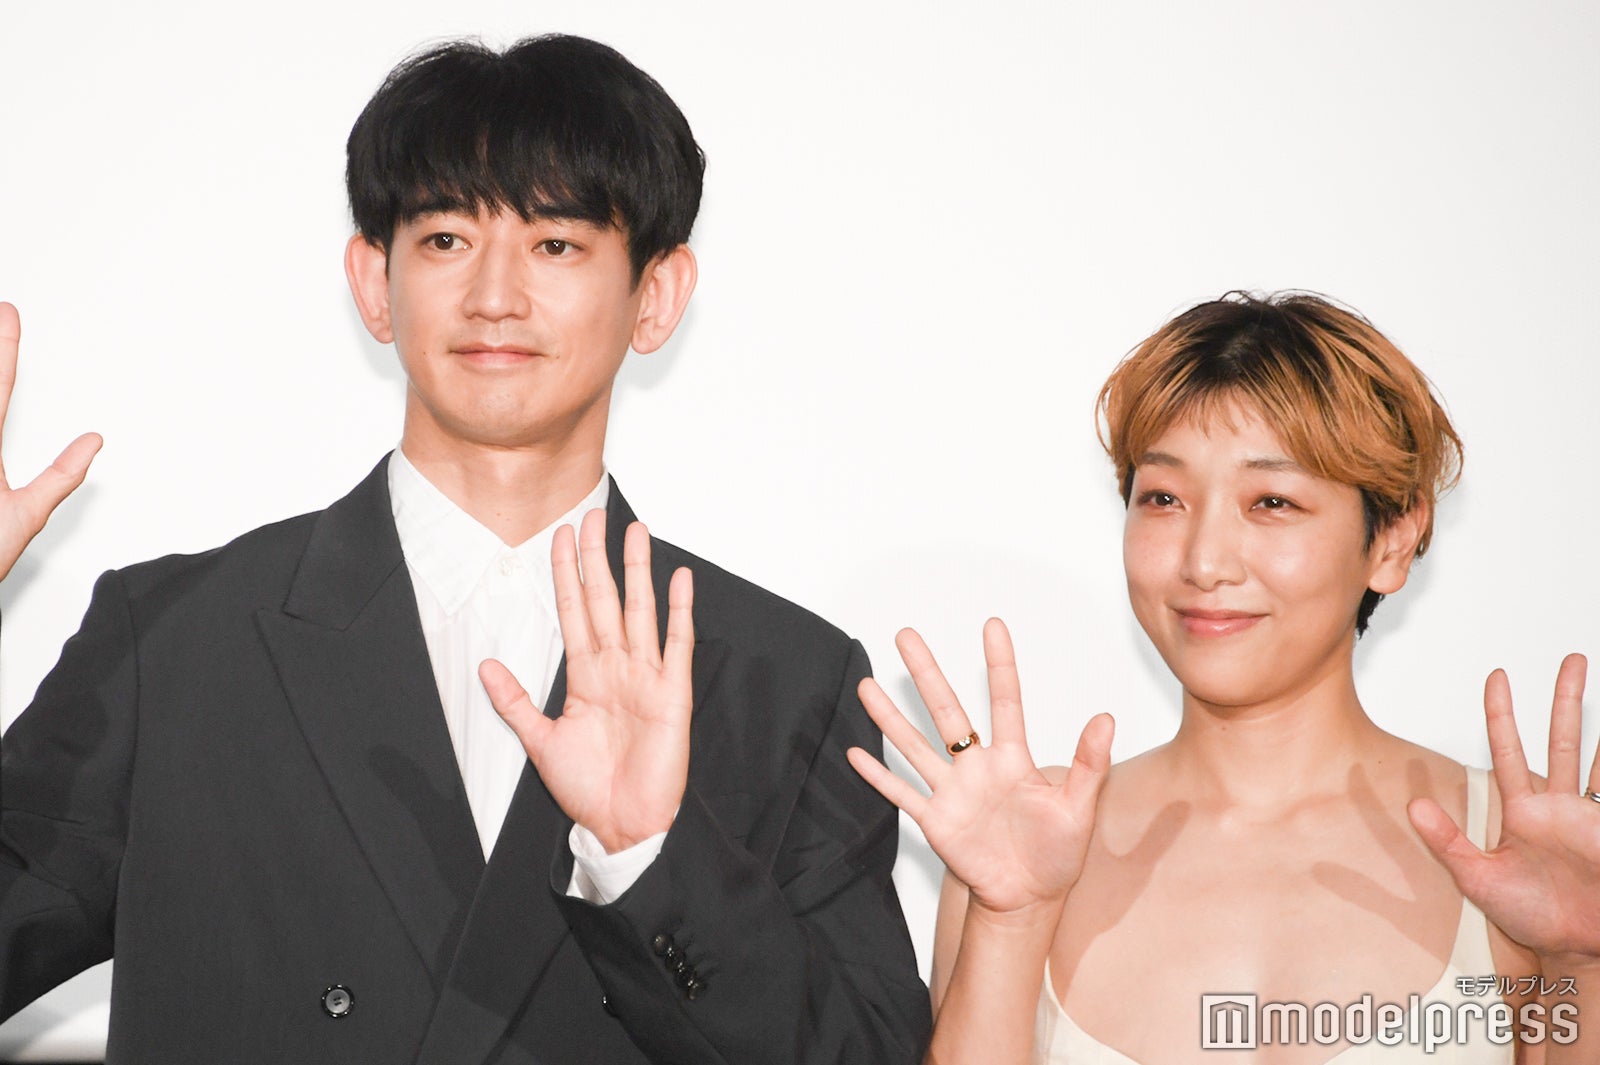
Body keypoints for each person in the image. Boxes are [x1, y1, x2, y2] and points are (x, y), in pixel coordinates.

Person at [0, 34, 930, 1063]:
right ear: (374, 281)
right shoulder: (173, 641)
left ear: (657, 295)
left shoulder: (785, 682)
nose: (495, 295)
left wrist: (648, 862)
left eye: (556, 244)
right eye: (446, 238)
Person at [849, 292, 1598, 1063]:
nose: (1204, 561)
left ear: (1393, 540)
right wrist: (1013, 918)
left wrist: (1584, 963)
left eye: (1271, 501)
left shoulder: (1523, 854)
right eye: (1163, 498)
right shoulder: (1026, 842)